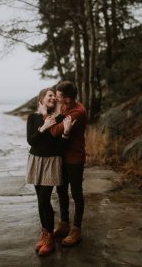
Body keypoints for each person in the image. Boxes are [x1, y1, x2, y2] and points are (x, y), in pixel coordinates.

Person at [26, 87, 75, 256]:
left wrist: (66, 133)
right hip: (35, 161)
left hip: (52, 162)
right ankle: (46, 233)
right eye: (49, 95)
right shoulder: (33, 118)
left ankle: (50, 241)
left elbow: (60, 148)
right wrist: (43, 126)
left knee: (43, 199)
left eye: (55, 96)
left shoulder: (60, 118)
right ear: (41, 100)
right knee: (41, 201)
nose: (53, 97)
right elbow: (31, 141)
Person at [48, 81, 87, 246]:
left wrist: (49, 119)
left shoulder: (78, 111)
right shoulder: (65, 107)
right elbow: (58, 124)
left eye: (58, 96)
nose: (56, 98)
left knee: (76, 193)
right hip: (63, 156)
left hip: (75, 158)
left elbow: (56, 131)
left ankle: (76, 229)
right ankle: (64, 224)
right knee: (61, 190)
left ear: (68, 99)